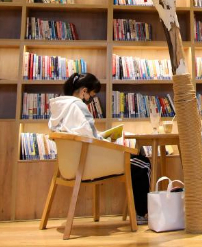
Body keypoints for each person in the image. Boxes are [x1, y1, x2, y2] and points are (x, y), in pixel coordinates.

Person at [49, 73, 151, 225]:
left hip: (70, 166)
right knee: (143, 163)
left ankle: (139, 212)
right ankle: (141, 214)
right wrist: (112, 142)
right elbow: (92, 139)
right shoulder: (79, 106)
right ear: (84, 91)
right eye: (92, 95)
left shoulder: (60, 108)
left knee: (136, 161)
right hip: (89, 165)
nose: (91, 99)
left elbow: (83, 135)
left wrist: (103, 136)